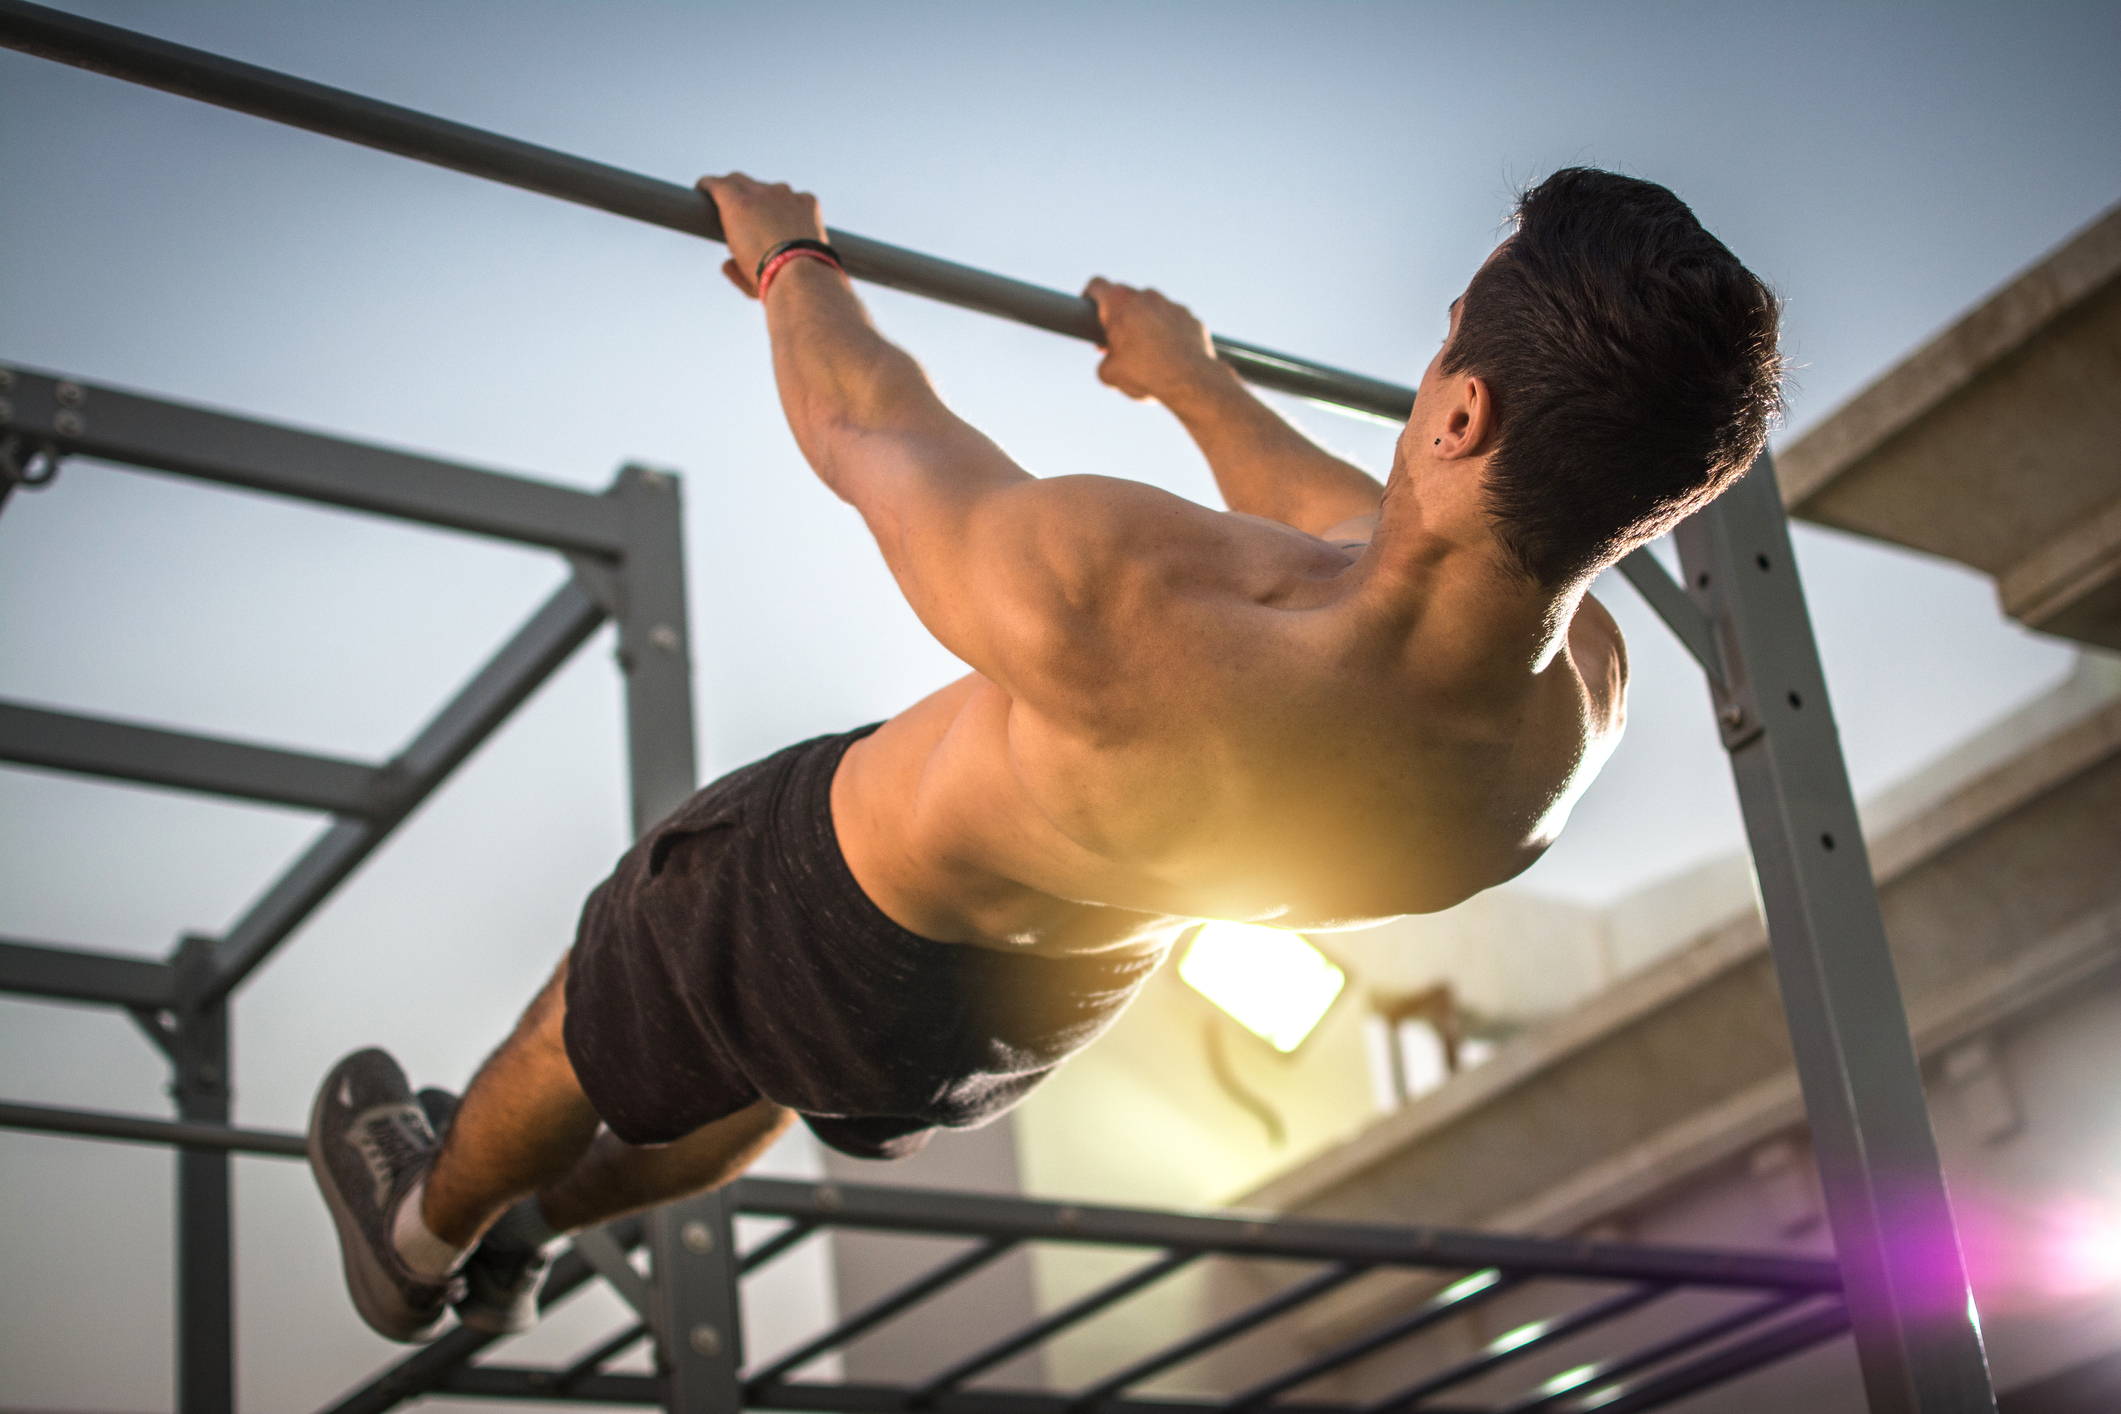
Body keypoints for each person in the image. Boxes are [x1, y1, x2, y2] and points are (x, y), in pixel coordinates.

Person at [309, 166, 1783, 1341]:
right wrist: (1188, 380)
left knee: (602, 1001)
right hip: (1019, 1018)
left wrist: (787, 261)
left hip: (828, 894)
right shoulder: (1569, 715)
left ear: (1459, 409)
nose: (1426, 369)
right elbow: (1366, 526)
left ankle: (426, 1228)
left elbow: (865, 426)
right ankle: (532, 1235)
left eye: (1443, 335)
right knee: (751, 1072)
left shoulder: (1126, 598)